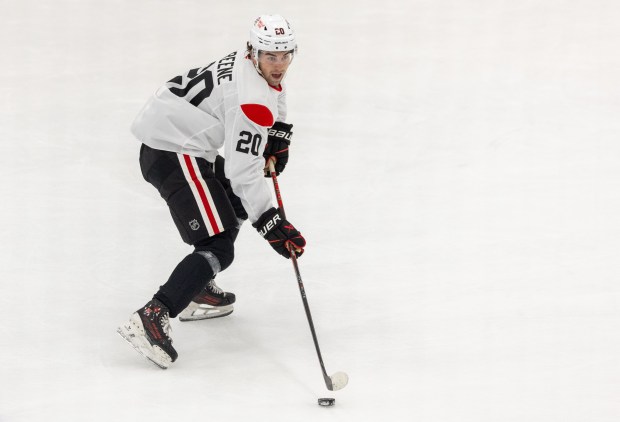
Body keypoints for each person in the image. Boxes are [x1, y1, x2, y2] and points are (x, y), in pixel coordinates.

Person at [117, 14, 306, 369]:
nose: (279, 64)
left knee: (232, 203)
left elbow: (273, 91)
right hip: (172, 150)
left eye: (285, 55)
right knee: (218, 244)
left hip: (179, 138)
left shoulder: (251, 64)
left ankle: (196, 285)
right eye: (271, 56)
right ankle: (153, 314)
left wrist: (278, 130)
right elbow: (241, 169)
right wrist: (269, 221)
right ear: (254, 51)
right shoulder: (250, 101)